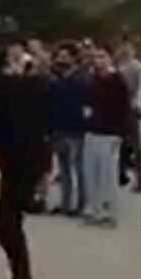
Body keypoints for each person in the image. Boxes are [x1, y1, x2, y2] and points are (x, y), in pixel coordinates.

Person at [0, 41, 51, 279]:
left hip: (21, 159)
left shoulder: (32, 85)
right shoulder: (14, 84)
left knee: (8, 224)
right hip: (15, 158)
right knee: (8, 222)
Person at [80, 46, 129, 228]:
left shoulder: (117, 80)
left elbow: (124, 109)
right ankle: (95, 210)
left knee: (107, 176)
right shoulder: (93, 79)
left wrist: (120, 135)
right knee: (90, 174)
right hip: (91, 132)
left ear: (110, 58)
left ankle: (111, 214)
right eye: (95, 57)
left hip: (109, 134)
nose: (98, 60)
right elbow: (87, 101)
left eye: (102, 56)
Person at [47, 44, 88, 216]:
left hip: (76, 131)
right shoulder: (57, 80)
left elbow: (84, 106)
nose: (61, 60)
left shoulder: (82, 80)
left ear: (74, 58)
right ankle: (65, 203)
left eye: (65, 56)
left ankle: (81, 204)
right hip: (59, 130)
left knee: (78, 169)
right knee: (63, 169)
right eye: (59, 57)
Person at [115, 39, 141, 193]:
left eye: (128, 48)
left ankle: (140, 180)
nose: (125, 50)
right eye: (123, 48)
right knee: (121, 144)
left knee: (136, 146)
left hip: (131, 110)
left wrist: (138, 105)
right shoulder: (117, 65)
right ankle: (122, 174)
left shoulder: (137, 66)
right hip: (118, 109)